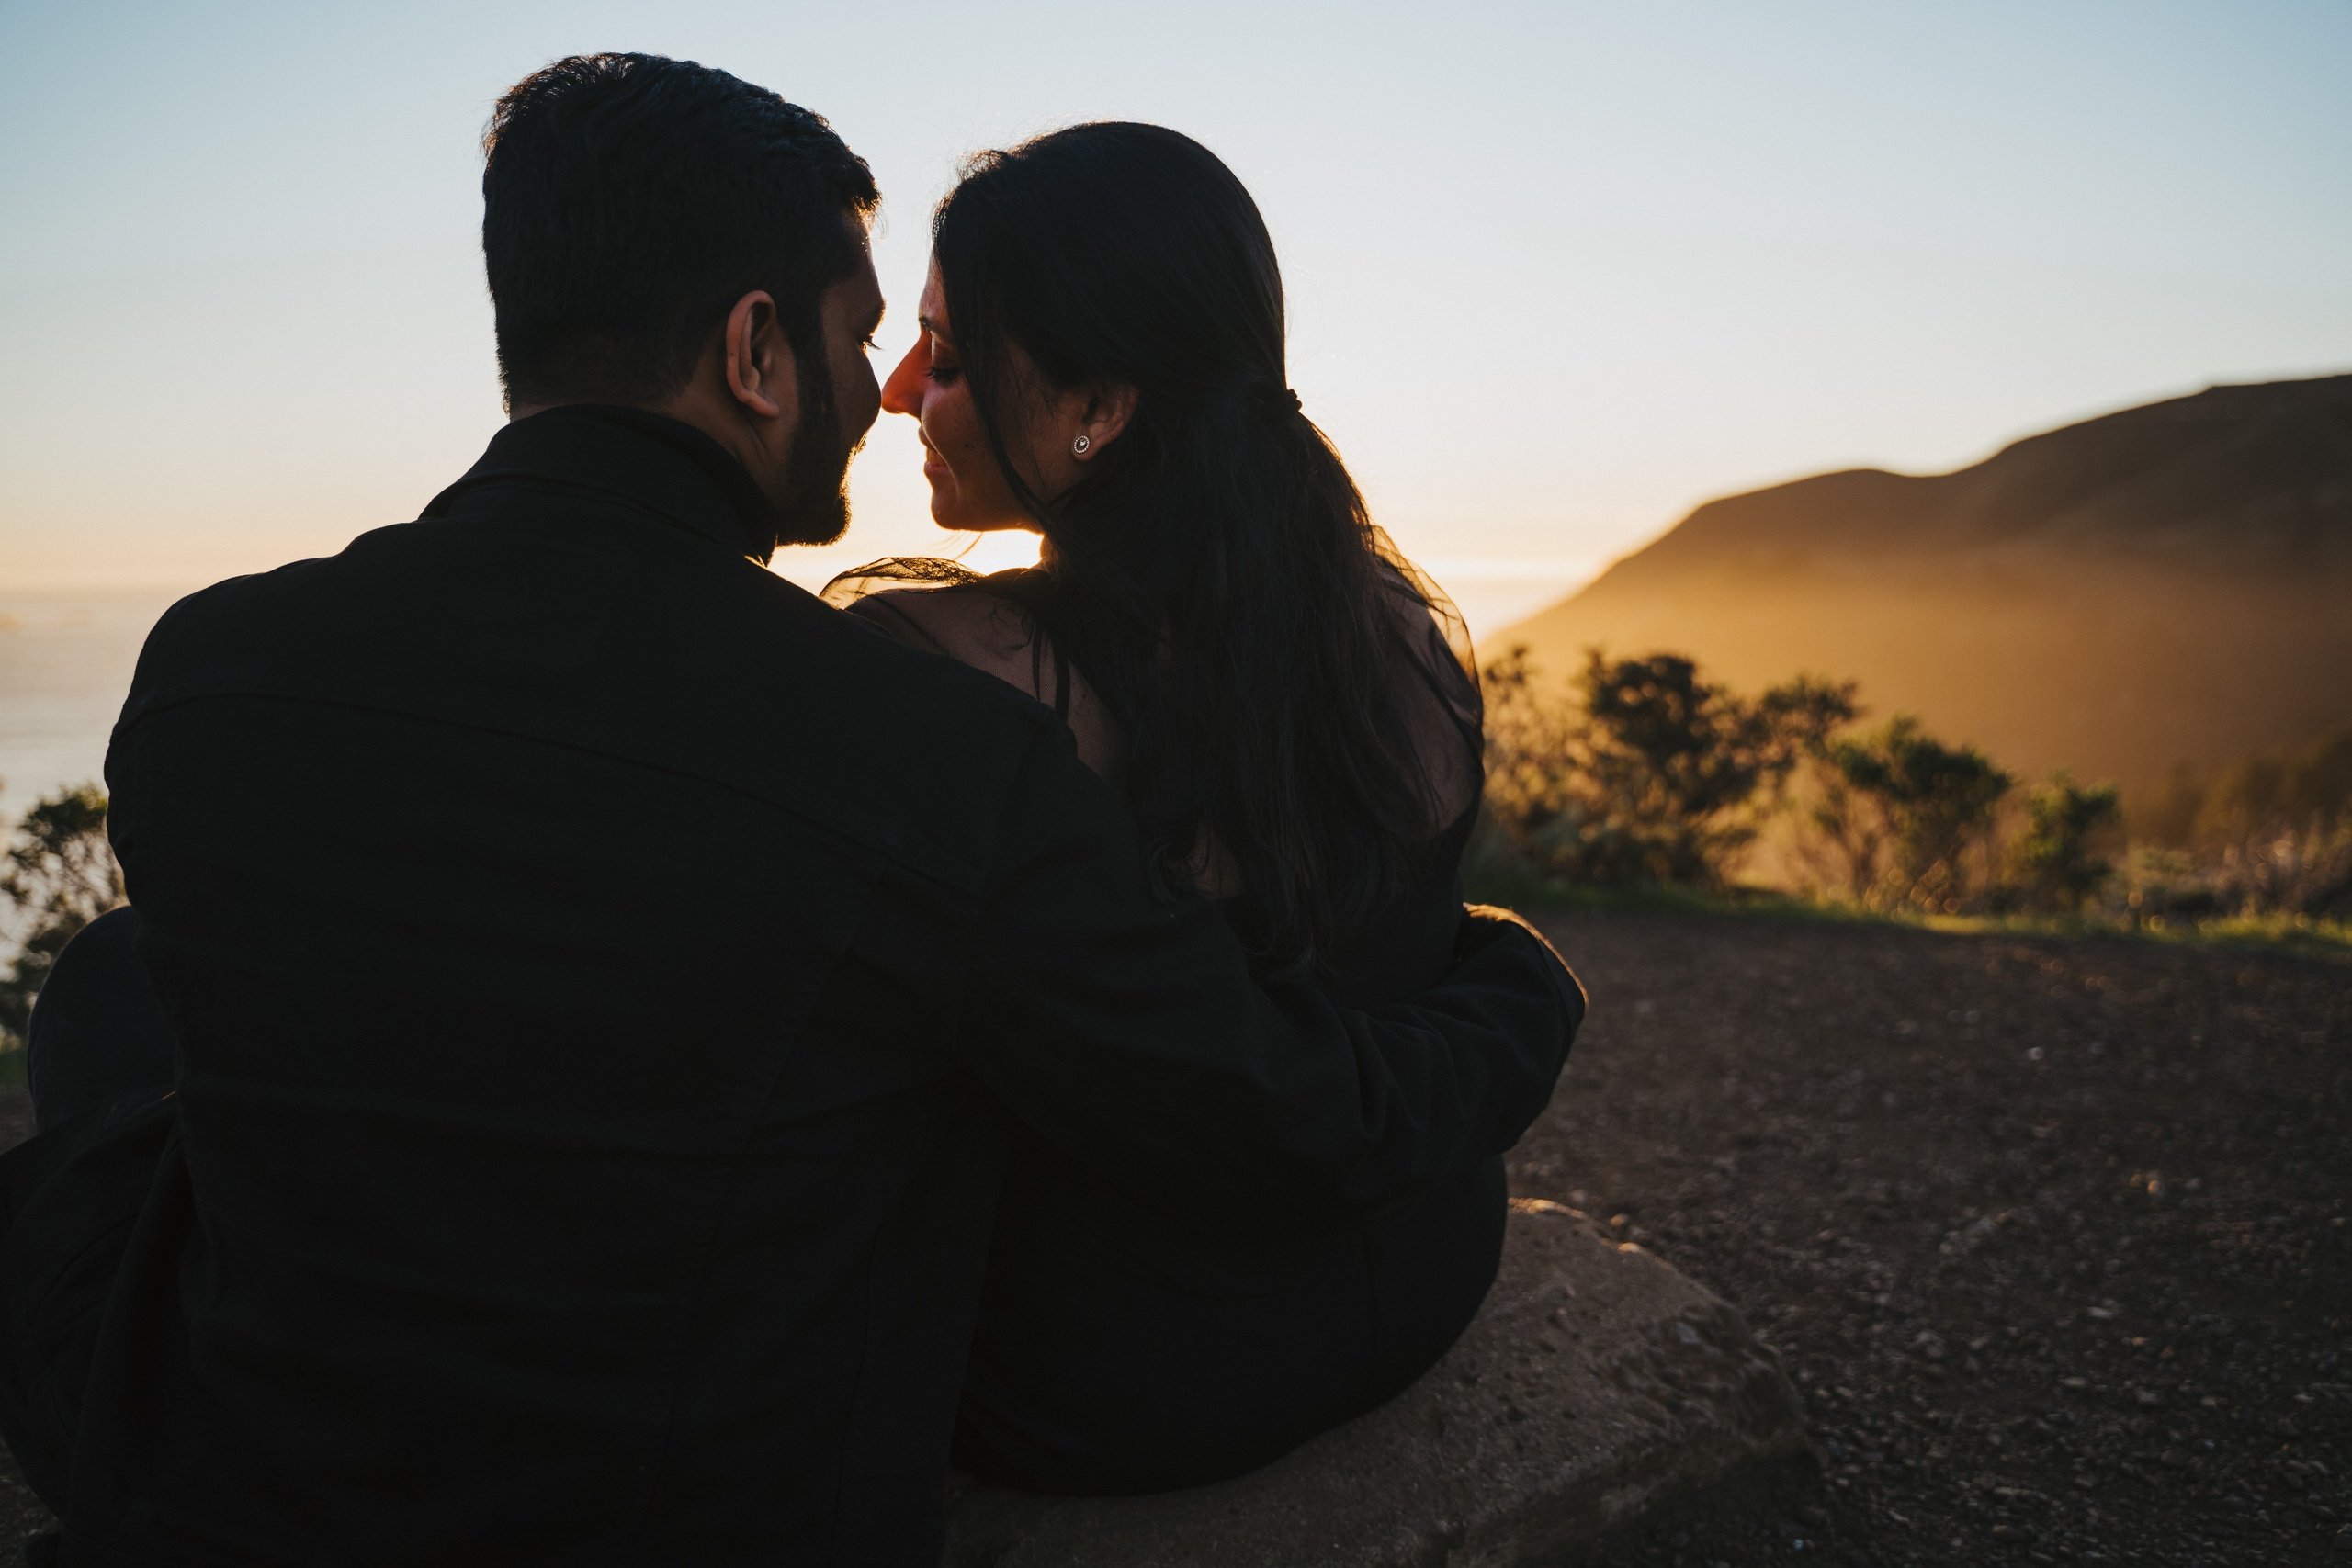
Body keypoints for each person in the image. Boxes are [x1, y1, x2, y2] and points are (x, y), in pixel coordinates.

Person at [0, 53, 1581, 1568]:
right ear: (757, 354)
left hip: (270, 1420)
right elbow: (1255, 1084)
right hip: (786, 1438)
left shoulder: (203, 673)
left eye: (941, 352)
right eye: (871, 335)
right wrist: (1506, 982)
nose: (888, 390)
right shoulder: (923, 730)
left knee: (116, 997)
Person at [834, 122, 1522, 1495]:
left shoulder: (946, 673)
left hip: (1116, 1379)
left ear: (1097, 405)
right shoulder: (1394, 630)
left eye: (955, 360)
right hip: (1435, 1273)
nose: (905, 391)